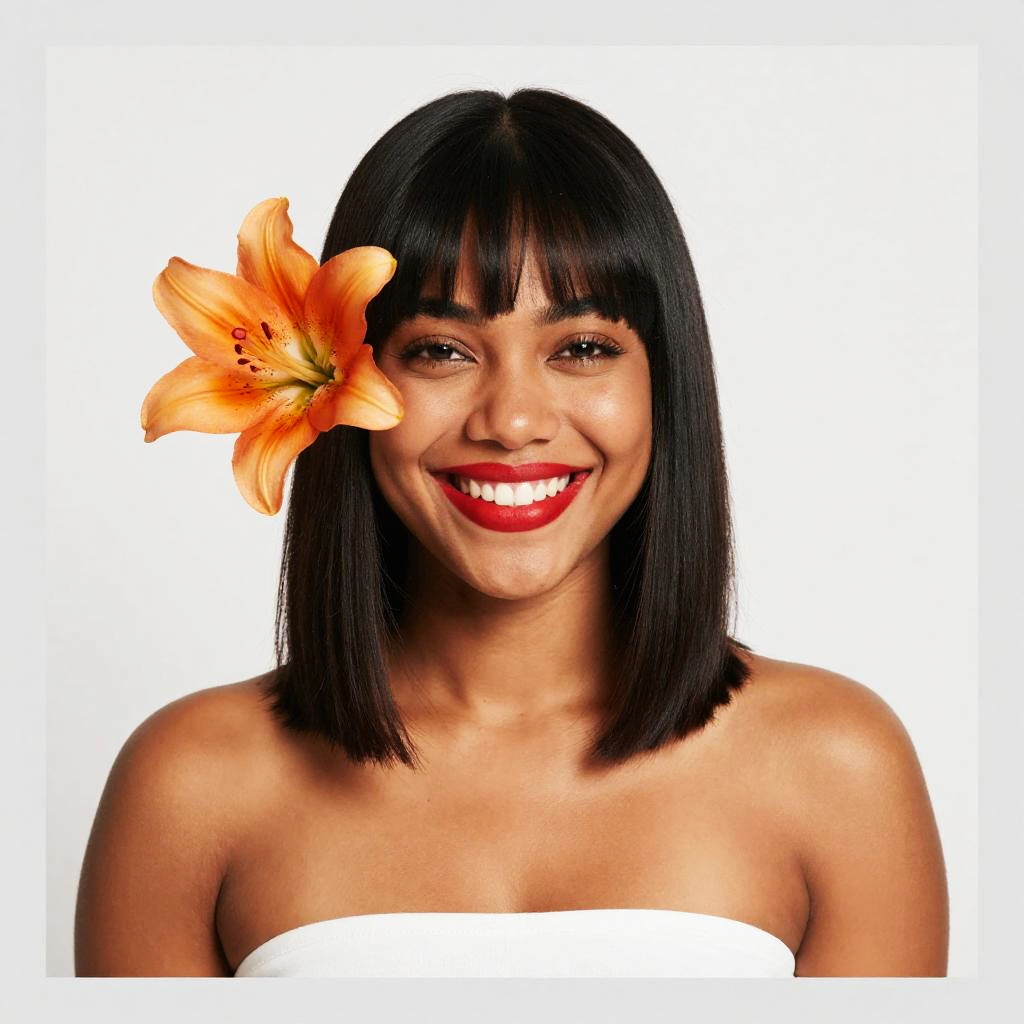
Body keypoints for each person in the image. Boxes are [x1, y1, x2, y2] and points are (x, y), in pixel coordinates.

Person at [74, 88, 949, 977]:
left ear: (664, 383)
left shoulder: (839, 766)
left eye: (583, 347)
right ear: (346, 391)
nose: (515, 420)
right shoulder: (187, 786)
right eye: (440, 352)